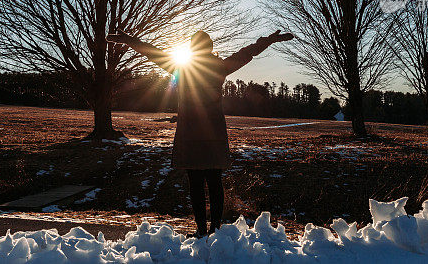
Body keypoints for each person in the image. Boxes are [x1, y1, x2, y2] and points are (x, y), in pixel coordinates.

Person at [107, 29, 294, 238]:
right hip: (213, 133)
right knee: (215, 182)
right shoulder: (219, 67)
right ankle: (215, 229)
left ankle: (201, 230)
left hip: (190, 134)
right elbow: (247, 53)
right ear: (210, 48)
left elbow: (152, 52)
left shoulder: (183, 68)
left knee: (195, 183)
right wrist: (269, 40)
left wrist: (129, 40)